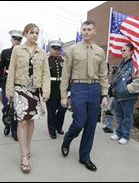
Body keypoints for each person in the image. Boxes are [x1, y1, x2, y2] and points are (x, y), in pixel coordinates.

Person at [60, 20, 108, 172]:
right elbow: (65, 74)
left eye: (89, 29)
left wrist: (104, 94)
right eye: (84, 29)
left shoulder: (100, 51)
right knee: (80, 121)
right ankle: (67, 139)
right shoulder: (73, 49)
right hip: (78, 87)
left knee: (91, 125)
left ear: (94, 31)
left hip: (94, 88)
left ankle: (85, 157)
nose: (86, 31)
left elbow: (103, 75)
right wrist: (63, 95)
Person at [6, 23, 50, 173]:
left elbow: (45, 73)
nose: (35, 35)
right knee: (22, 122)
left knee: (30, 121)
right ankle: (24, 155)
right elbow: (11, 70)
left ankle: (27, 146)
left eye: (37, 33)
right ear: (25, 34)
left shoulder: (42, 52)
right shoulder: (17, 50)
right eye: (32, 32)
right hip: (19, 89)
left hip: (34, 90)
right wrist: (9, 90)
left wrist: (46, 91)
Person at [109, 43, 139, 145]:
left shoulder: (135, 64)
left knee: (127, 117)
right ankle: (119, 133)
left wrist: (125, 89)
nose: (122, 52)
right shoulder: (122, 64)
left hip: (127, 95)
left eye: (124, 50)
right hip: (117, 95)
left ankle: (125, 135)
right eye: (121, 50)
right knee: (119, 115)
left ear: (131, 51)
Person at [0, 29, 23, 141]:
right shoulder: (5, 52)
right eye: (15, 39)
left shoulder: (23, 53)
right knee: (6, 107)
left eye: (19, 39)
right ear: (11, 40)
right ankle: (7, 123)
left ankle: (14, 131)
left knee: (16, 108)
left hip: (19, 84)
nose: (17, 41)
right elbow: (0, 68)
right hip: (6, 83)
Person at [45, 40, 67, 139]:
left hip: (61, 88)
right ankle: (52, 130)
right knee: (51, 111)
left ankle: (59, 127)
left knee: (62, 109)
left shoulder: (63, 61)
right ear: (50, 49)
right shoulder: (46, 60)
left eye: (58, 49)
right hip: (51, 88)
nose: (57, 51)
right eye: (55, 49)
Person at [103, 65, 118, 133]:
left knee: (109, 111)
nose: (112, 70)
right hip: (110, 95)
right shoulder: (112, 76)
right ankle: (108, 126)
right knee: (107, 112)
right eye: (112, 69)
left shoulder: (117, 76)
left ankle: (110, 127)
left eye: (114, 69)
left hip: (114, 96)